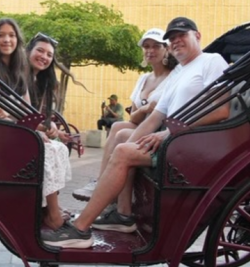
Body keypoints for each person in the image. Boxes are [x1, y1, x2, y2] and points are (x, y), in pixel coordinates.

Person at [42, 17, 229, 248]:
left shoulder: (211, 61)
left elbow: (222, 109)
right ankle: (121, 214)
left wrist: (170, 133)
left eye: (182, 35)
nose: (176, 41)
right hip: (175, 140)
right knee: (123, 143)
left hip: (192, 145)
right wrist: (128, 146)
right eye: (172, 39)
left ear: (197, 36)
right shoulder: (180, 71)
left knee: (123, 153)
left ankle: (80, 229)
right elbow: (154, 118)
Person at [74, 28, 177, 201]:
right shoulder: (143, 79)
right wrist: (145, 109)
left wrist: (147, 110)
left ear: (166, 49)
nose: (150, 50)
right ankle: (101, 181)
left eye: (156, 46)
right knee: (117, 125)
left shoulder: (174, 77)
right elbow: (134, 116)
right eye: (146, 46)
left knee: (121, 131)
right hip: (141, 125)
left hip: (159, 128)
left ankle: (106, 187)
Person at [26, 32, 73, 229]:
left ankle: (49, 208)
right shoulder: (19, 77)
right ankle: (53, 215)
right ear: (28, 51)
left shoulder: (42, 81)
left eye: (49, 55)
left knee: (59, 147)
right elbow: (20, 115)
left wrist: (51, 128)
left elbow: (39, 115)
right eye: (40, 51)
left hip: (27, 130)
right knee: (48, 149)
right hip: (13, 132)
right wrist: (42, 129)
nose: (44, 57)